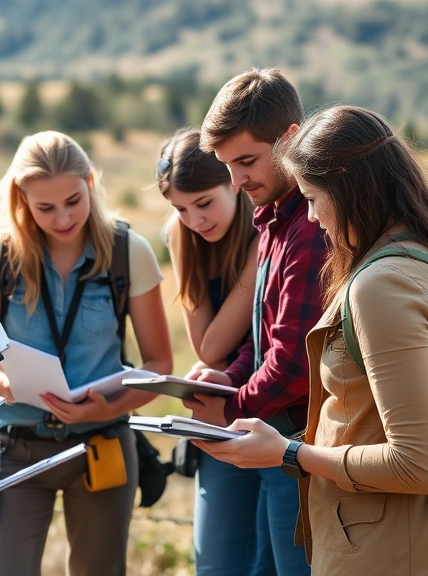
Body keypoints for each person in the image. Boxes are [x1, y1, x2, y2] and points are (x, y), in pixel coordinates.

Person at [194, 105, 428, 575]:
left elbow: (418, 463)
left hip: (392, 550)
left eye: (314, 199)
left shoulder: (383, 285)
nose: (313, 218)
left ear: (349, 187)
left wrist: (286, 451)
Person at [0, 131, 173, 576]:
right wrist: (7, 386)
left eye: (74, 201)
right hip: (15, 447)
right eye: (45, 207)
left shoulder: (127, 252)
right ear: (21, 199)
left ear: (91, 183)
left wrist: (108, 405)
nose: (63, 218)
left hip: (103, 444)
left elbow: (159, 367)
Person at [187, 68, 327, 576]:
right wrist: (229, 377)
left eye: (246, 161)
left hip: (302, 452)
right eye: (227, 166)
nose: (236, 180)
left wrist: (226, 412)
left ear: (292, 138)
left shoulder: (310, 229)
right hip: (275, 442)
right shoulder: (270, 218)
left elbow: (294, 364)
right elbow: (265, 337)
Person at [156, 127, 264, 575]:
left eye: (204, 203)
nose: (194, 220)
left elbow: (215, 346)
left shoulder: (265, 233)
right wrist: (180, 237)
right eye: (180, 209)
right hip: (221, 411)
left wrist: (213, 359)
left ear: (233, 184)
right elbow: (206, 347)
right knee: (217, 561)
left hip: (275, 406)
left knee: (266, 560)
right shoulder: (181, 235)